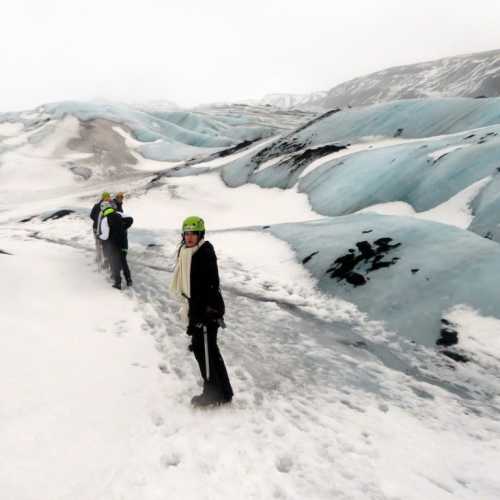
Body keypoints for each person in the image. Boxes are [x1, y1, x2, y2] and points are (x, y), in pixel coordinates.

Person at [171, 216, 233, 407]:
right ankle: (224, 391)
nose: (189, 237)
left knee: (203, 350)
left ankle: (212, 392)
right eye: (186, 233)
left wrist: (199, 319)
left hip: (207, 311)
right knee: (209, 350)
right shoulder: (188, 252)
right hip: (200, 308)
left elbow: (208, 288)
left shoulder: (203, 253)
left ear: (200, 234)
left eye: (193, 234)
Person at [99, 203, 133, 289]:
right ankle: (129, 280)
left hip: (113, 245)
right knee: (123, 261)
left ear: (103, 209)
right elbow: (130, 219)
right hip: (123, 242)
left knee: (114, 263)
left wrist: (99, 236)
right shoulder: (119, 214)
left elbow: (105, 236)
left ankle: (118, 283)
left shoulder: (105, 219)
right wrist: (124, 227)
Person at [90, 192, 111, 268]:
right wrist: (97, 221)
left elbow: (91, 215)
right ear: (104, 197)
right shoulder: (104, 206)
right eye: (108, 197)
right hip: (99, 228)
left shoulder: (97, 205)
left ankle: (100, 258)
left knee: (99, 244)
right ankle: (101, 259)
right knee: (102, 244)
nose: (109, 198)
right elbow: (92, 215)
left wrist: (96, 220)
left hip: (98, 227)